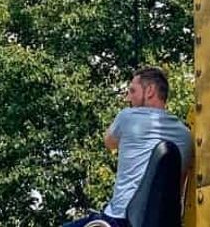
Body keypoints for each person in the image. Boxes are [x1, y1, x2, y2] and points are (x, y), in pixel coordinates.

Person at [65, 66, 193, 227]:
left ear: (150, 91)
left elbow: (109, 142)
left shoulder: (127, 117)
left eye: (132, 91)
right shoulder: (186, 135)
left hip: (121, 219)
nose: (128, 98)